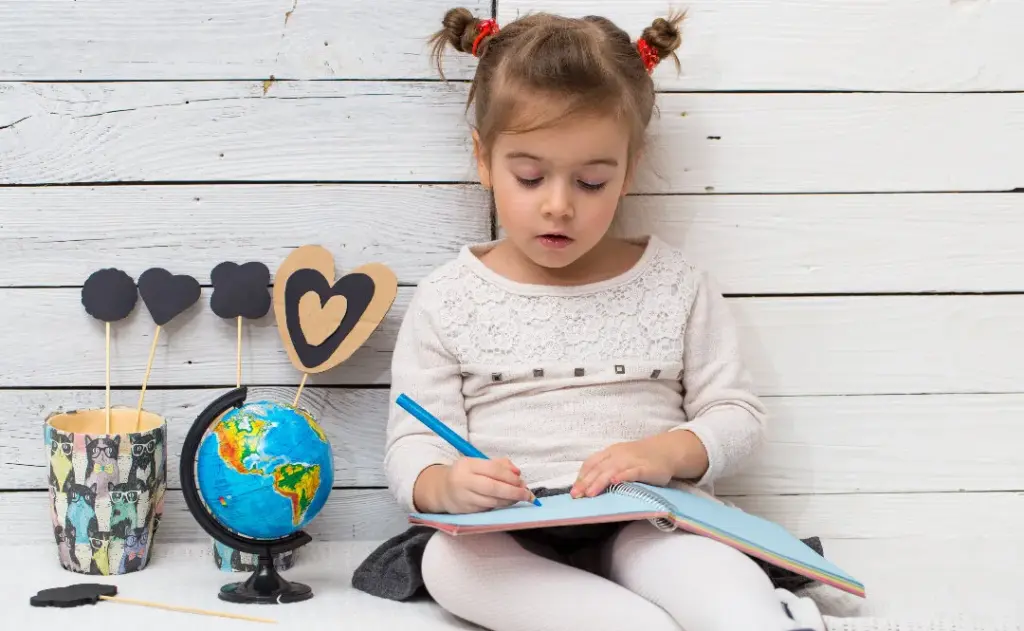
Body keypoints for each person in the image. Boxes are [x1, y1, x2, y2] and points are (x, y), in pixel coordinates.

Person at [375, 8, 831, 631]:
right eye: (529, 176)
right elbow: (412, 443)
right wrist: (444, 485)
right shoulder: (447, 297)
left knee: (721, 581)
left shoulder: (676, 285)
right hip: (503, 534)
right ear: (483, 159)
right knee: (450, 566)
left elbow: (737, 417)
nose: (558, 205)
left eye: (591, 181)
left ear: (629, 168)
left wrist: (663, 453)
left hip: (652, 519)